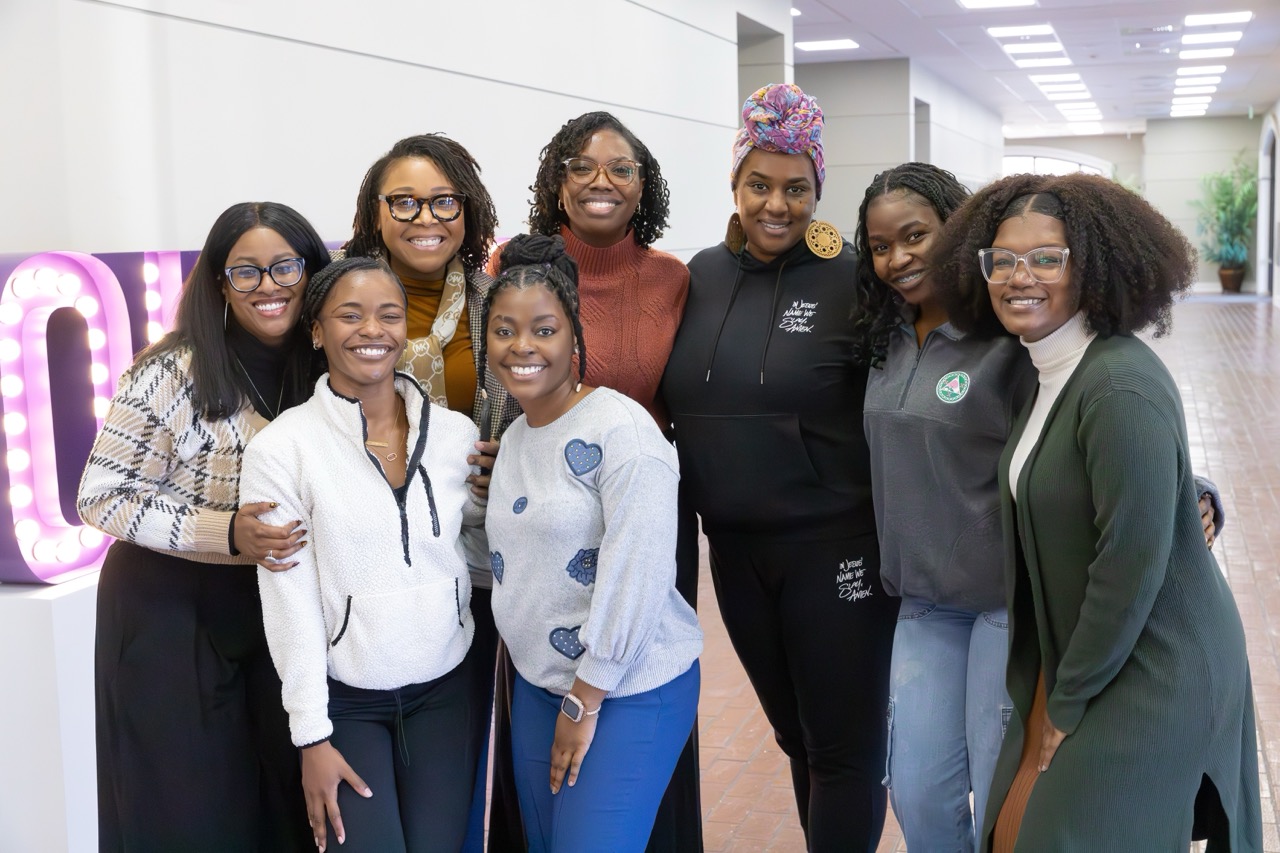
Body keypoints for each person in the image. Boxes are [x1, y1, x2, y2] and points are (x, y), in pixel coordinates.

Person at [853, 163, 1228, 851]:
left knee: (1007, 797)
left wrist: (1193, 489)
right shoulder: (879, 341)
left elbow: (1098, 425)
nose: (900, 257)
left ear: (959, 239)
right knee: (917, 794)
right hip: (924, 606)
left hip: (1008, 606)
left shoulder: (1012, 337)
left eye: (918, 237)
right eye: (881, 245)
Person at [662, 83, 899, 851]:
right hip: (732, 554)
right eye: (759, 184)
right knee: (798, 737)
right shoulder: (697, 277)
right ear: (735, 184)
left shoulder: (854, 280)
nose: (777, 204)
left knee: (843, 749)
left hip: (836, 550)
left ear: (817, 192)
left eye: (797, 188)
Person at [77, 201, 328, 852]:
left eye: (285, 267)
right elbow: (100, 494)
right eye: (246, 271)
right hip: (169, 611)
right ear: (219, 281)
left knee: (276, 806)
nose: (268, 285)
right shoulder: (172, 370)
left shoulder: (330, 366)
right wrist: (226, 532)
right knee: (189, 813)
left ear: (311, 271)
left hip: (273, 609)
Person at [240, 255, 487, 853]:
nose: (372, 330)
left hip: (447, 689)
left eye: (388, 315)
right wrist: (310, 735)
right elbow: (288, 599)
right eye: (349, 315)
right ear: (317, 331)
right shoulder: (283, 450)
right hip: (346, 701)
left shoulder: (455, 436)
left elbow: (476, 546)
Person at [483, 234, 703, 853]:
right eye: (504, 330)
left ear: (574, 338)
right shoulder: (520, 436)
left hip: (626, 684)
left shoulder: (623, 431)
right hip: (537, 681)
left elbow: (638, 572)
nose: (522, 347)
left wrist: (586, 699)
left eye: (543, 329)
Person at [345, 133, 520, 851]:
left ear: (469, 211)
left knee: (455, 779)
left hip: (464, 566)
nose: (427, 217)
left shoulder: (493, 301)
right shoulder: (338, 300)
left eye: (444, 200)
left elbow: (531, 401)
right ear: (376, 213)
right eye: (406, 202)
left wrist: (511, 459)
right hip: (360, 574)